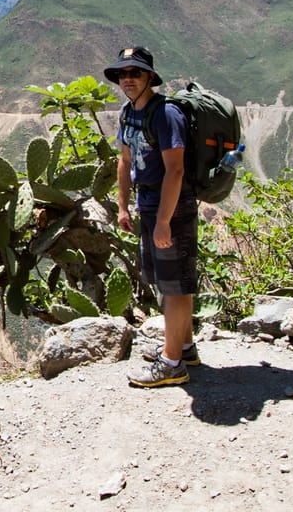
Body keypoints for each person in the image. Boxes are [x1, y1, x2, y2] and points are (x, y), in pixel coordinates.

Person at [104, 46, 200, 388]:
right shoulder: (128, 113)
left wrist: (163, 221)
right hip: (147, 204)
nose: (127, 79)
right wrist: (123, 206)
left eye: (135, 73)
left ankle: (172, 365)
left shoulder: (166, 114)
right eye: (123, 73)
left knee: (175, 285)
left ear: (150, 77)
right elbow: (125, 161)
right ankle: (184, 348)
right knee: (165, 281)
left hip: (172, 208)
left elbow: (176, 170)